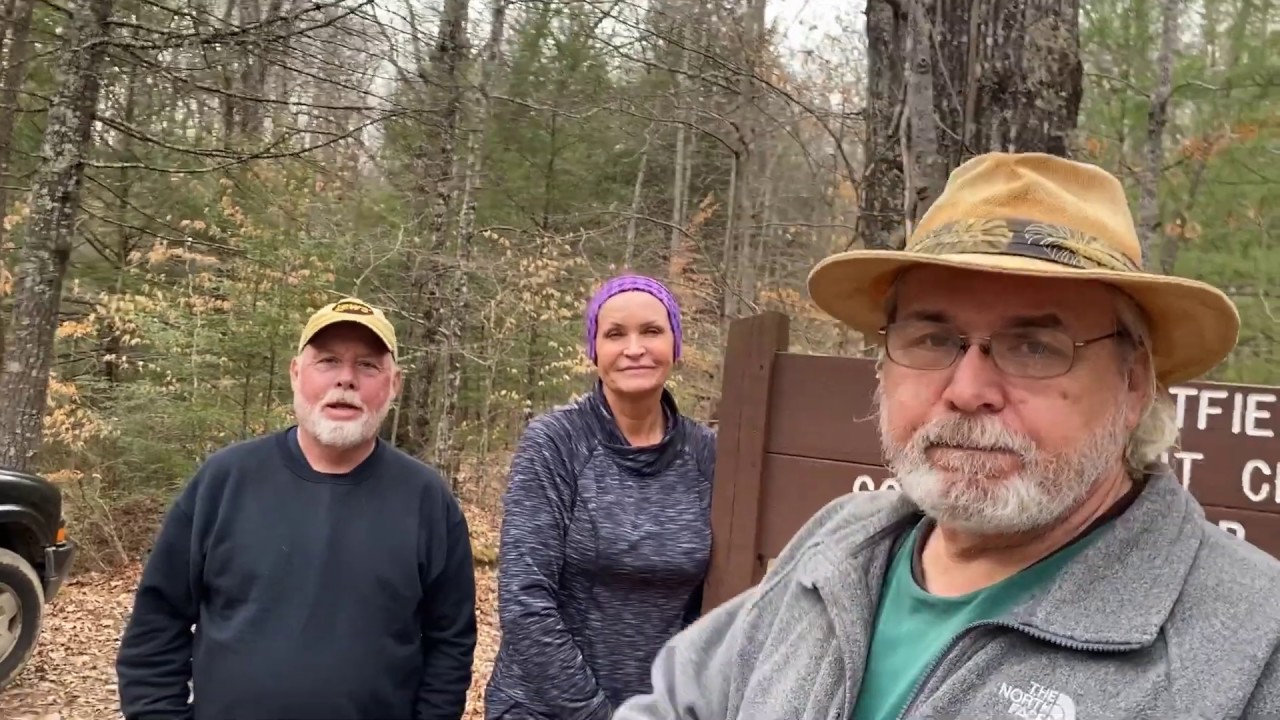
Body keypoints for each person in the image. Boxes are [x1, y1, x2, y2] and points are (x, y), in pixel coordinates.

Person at [612, 152, 1280, 719]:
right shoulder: (841, 544)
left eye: (1035, 347)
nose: (966, 389)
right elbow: (679, 700)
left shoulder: (1252, 648)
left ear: (1136, 382)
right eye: (932, 339)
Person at [116, 297, 477, 720]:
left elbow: (450, 644)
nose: (346, 379)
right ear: (295, 373)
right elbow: (157, 625)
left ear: (394, 384)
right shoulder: (225, 480)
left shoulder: (426, 499)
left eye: (367, 365)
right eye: (327, 361)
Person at [484, 274, 718, 719]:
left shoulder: (706, 454)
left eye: (651, 331)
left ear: (676, 344)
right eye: (615, 334)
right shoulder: (555, 443)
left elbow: (709, 608)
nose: (634, 348)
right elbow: (525, 600)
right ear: (594, 350)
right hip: (540, 709)